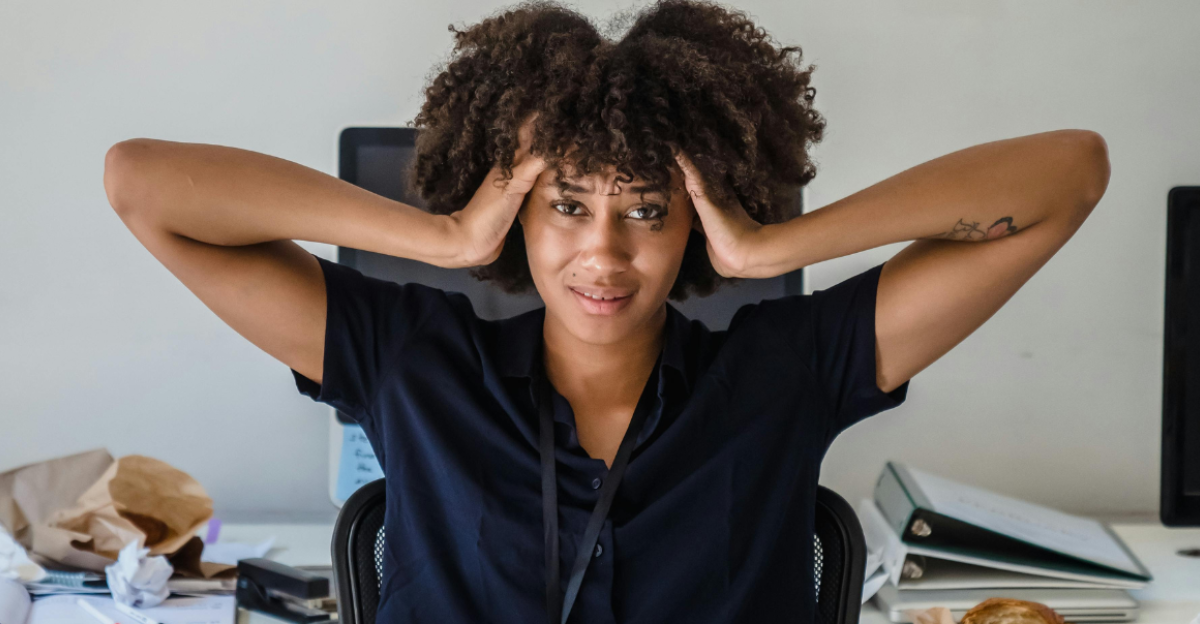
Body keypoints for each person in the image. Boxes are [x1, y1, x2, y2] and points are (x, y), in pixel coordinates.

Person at [102, 1, 1110, 621]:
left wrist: (770, 245)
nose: (604, 253)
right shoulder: (409, 360)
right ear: (520, 214)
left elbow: (1069, 173)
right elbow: (142, 184)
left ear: (692, 226)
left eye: (648, 211)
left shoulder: (785, 371)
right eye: (568, 206)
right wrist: (453, 236)